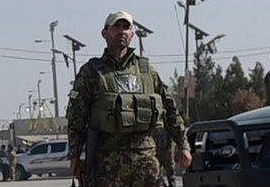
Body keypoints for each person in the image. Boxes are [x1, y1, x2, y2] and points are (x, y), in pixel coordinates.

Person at [66, 11, 192, 187]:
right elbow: (76, 117)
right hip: (108, 163)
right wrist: (74, 155)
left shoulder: (147, 71)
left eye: (126, 27)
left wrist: (183, 145)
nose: (122, 31)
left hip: (145, 161)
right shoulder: (92, 72)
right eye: (116, 27)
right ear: (105, 33)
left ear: (132, 34)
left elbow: (170, 109)